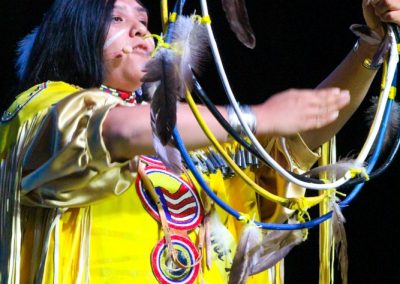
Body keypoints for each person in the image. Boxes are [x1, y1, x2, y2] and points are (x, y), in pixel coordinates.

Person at [0, 0, 398, 283]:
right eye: (115, 18)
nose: (140, 28)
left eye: (143, 18)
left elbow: (295, 142)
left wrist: (370, 45)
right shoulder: (43, 109)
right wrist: (260, 116)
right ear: (72, 34)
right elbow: (120, 131)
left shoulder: (201, 139)